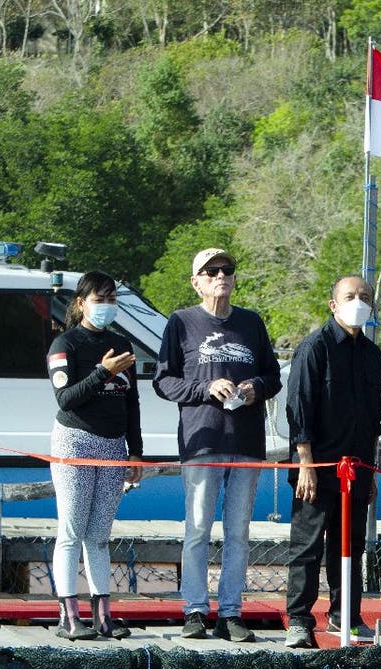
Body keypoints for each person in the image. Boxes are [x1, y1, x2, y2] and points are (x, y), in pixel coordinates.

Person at [153, 248, 282, 641]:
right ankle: (194, 609)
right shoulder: (181, 323)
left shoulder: (251, 322)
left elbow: (273, 376)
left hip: (246, 441)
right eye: (211, 271)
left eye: (226, 270)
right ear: (196, 281)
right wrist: (205, 387)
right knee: (197, 530)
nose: (220, 276)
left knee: (239, 532)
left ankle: (230, 612)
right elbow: (163, 381)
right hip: (203, 441)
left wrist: (253, 387)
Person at [282, 276, 381, 648]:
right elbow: (299, 408)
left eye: (364, 297)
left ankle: (347, 617)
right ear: (333, 304)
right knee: (307, 548)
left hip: (357, 467)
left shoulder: (372, 356)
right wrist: (305, 463)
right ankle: (299, 620)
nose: (358, 302)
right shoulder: (315, 347)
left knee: (351, 547)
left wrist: (371, 469)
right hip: (319, 466)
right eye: (350, 296)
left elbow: (374, 418)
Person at [46, 271, 143, 640]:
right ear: (81, 303)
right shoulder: (65, 344)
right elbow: (66, 398)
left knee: (100, 534)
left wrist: (136, 453)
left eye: (111, 298)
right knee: (71, 531)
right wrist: (103, 371)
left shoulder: (121, 343)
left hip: (113, 444)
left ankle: (103, 614)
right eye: (99, 299)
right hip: (75, 441)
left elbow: (132, 401)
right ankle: (69, 615)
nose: (106, 306)